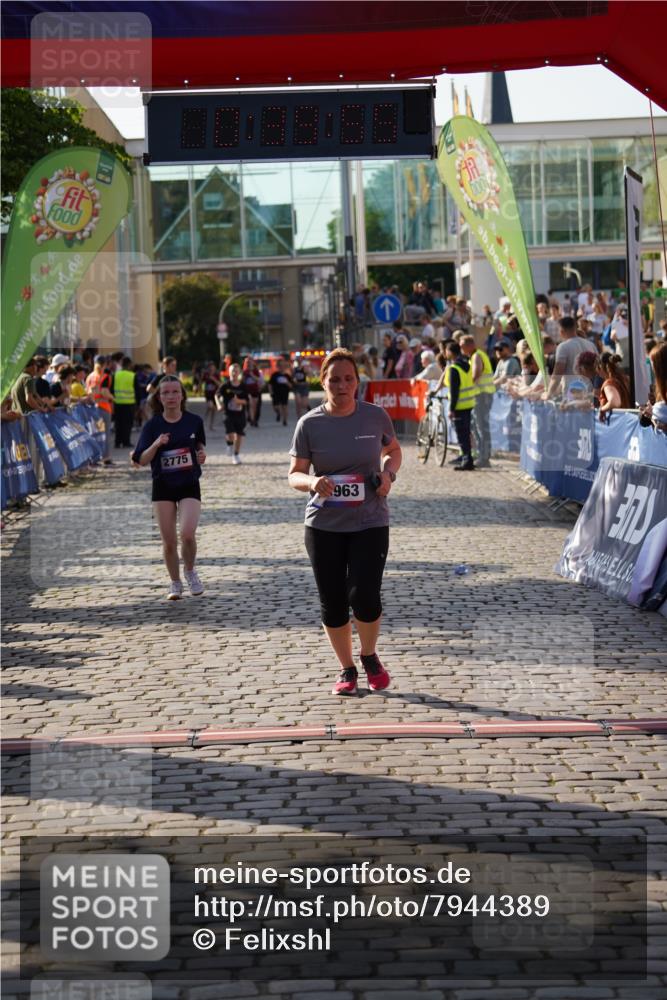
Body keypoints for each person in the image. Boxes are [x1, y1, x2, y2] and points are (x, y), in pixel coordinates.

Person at [288, 348, 402, 696]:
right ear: (322, 382)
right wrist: (311, 483)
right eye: (334, 379)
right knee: (333, 601)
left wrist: (388, 474)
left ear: (357, 382)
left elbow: (393, 451)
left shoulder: (374, 416)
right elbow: (294, 474)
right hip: (324, 524)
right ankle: (347, 668)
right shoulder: (309, 424)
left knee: (365, 595)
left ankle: (369, 656)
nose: (342, 385)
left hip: (370, 519)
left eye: (348, 378)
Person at [131, 375, 206, 600]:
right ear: (159, 397)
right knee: (169, 541)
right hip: (162, 486)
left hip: (189, 483)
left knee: (187, 534)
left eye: (175, 392)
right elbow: (141, 460)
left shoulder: (194, 421)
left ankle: (190, 572)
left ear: (182, 395)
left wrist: (201, 455)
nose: (171, 396)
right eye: (166, 393)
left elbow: (199, 446)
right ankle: (175, 583)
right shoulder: (152, 425)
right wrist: (156, 444)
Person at [461, 334, 495, 468]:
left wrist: (466, 387)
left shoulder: (476, 356)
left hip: (482, 395)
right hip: (481, 395)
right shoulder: (476, 355)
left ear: (470, 345)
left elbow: (476, 374)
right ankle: (482, 455)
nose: (461, 349)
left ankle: (484, 457)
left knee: (482, 427)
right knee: (478, 427)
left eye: (462, 346)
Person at [545, 316, 597, 400]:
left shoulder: (563, 347)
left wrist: (549, 394)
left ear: (561, 331)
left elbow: (558, 373)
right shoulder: (591, 345)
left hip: (572, 395)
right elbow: (597, 369)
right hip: (589, 393)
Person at [444, 340, 476, 471]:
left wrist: (451, 409)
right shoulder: (466, 364)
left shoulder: (454, 368)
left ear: (450, 352)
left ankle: (467, 461)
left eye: (446, 351)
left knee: (462, 435)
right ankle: (468, 458)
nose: (445, 353)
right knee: (466, 433)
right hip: (468, 404)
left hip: (459, 406)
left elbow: (454, 391)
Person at [218, 363, 249, 464]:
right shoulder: (225, 385)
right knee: (231, 434)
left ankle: (236, 455)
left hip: (240, 415)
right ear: (229, 372)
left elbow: (246, 401)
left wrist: (239, 401)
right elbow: (216, 395)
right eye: (232, 371)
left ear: (239, 372)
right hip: (228, 414)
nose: (234, 373)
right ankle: (229, 444)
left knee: (239, 435)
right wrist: (219, 404)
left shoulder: (243, 386)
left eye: (236, 371)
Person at [85, 355, 114, 465]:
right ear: (105, 364)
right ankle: (106, 457)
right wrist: (112, 398)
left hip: (91, 407)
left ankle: (94, 457)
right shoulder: (104, 376)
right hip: (104, 407)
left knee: (94, 433)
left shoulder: (89, 377)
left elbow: (88, 391)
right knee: (105, 433)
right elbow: (105, 392)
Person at [112, 356, 137, 448]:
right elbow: (137, 390)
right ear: (129, 364)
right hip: (129, 403)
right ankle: (126, 442)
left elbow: (111, 389)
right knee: (128, 424)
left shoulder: (115, 375)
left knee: (118, 424)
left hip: (117, 403)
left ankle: (117, 442)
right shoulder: (132, 375)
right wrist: (137, 404)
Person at [242, 356, 264, 427]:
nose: (249, 363)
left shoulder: (256, 371)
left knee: (255, 406)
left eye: (250, 362)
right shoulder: (244, 371)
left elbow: (258, 379)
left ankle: (254, 419)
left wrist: (251, 374)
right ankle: (252, 420)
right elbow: (242, 381)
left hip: (255, 390)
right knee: (251, 404)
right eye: (247, 362)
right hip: (248, 391)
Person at [269, 358, 292, 425]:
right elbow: (270, 384)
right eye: (280, 366)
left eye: (283, 366)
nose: (282, 367)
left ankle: (285, 420)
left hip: (285, 393)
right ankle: (278, 413)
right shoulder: (274, 375)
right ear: (278, 367)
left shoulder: (287, 376)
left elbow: (291, 386)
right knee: (275, 407)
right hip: (276, 393)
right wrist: (271, 392)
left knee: (285, 406)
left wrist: (287, 382)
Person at [202, 362, 221, 431]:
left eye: (213, 368)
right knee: (211, 407)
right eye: (210, 368)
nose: (211, 369)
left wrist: (213, 379)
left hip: (215, 395)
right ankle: (203, 422)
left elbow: (220, 384)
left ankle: (210, 425)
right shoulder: (206, 375)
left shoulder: (216, 375)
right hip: (208, 395)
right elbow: (202, 382)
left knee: (212, 410)